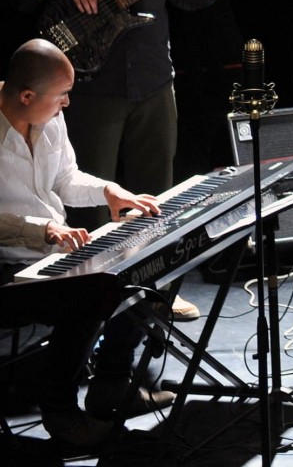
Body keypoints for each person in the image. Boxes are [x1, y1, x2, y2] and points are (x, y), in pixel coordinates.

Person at [8, 0, 240, 322]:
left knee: (157, 193)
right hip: (89, 86)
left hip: (154, 78)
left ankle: (156, 290)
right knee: (92, 199)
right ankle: (90, 300)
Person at [0, 39, 176, 447]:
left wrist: (109, 191)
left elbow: (65, 179)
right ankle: (60, 413)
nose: (66, 105)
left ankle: (112, 384)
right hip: (6, 265)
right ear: (27, 96)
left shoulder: (46, 118)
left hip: (48, 254)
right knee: (86, 297)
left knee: (141, 267)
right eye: (61, 96)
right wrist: (41, 230)